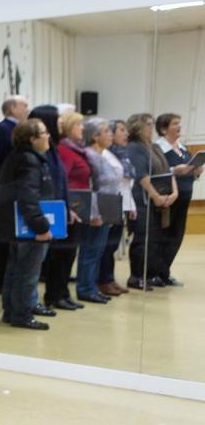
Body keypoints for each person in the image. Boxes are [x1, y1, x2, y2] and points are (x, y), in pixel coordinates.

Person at [0, 118, 55, 329]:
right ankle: (22, 315)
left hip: (14, 225)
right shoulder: (30, 161)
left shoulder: (18, 157)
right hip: (27, 227)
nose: (48, 136)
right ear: (31, 138)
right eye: (44, 133)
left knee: (15, 271)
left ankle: (11, 312)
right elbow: (29, 198)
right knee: (27, 272)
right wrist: (41, 226)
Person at [31, 105, 81, 312]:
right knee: (54, 257)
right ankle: (52, 295)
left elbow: (61, 183)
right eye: (58, 120)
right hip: (49, 211)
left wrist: (68, 208)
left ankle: (61, 293)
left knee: (66, 255)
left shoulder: (53, 148)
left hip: (60, 209)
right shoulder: (44, 151)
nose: (62, 123)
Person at [0, 96, 31, 294]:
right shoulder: (3, 130)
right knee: (2, 236)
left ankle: (6, 278)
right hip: (5, 191)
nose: (27, 108)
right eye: (23, 105)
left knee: (10, 237)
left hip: (11, 189)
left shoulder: (15, 130)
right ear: (11, 108)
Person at [59, 114, 109, 304]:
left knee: (87, 251)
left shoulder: (79, 150)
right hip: (76, 205)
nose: (82, 128)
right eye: (78, 124)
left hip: (86, 203)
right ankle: (78, 290)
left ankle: (85, 288)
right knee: (81, 251)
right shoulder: (66, 150)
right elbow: (64, 181)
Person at [124, 113, 177, 290]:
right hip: (142, 199)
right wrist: (155, 196)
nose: (150, 127)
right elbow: (141, 176)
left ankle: (150, 273)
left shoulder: (153, 146)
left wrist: (173, 193)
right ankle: (136, 276)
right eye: (147, 124)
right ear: (137, 127)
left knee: (154, 239)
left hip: (159, 198)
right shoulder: (134, 147)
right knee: (142, 239)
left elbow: (168, 171)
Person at [83, 118, 131, 298]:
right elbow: (92, 186)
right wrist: (95, 212)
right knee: (92, 250)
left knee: (101, 249)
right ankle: (87, 287)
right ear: (95, 136)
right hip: (98, 206)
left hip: (109, 203)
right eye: (106, 131)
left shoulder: (104, 154)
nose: (110, 134)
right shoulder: (91, 155)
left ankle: (94, 285)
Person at [154, 112, 200, 286]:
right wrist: (175, 170)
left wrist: (196, 171)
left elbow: (190, 171)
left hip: (184, 196)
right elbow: (157, 171)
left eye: (179, 123)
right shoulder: (158, 148)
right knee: (163, 235)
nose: (179, 127)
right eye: (175, 124)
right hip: (168, 198)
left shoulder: (182, 148)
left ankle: (165, 272)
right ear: (164, 128)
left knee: (176, 236)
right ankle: (156, 272)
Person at [100, 119, 136, 296]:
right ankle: (103, 281)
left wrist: (131, 206)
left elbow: (127, 185)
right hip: (109, 204)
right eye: (122, 130)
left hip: (122, 204)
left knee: (112, 246)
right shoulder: (105, 154)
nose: (126, 134)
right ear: (111, 133)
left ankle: (110, 279)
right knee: (106, 247)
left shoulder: (124, 154)